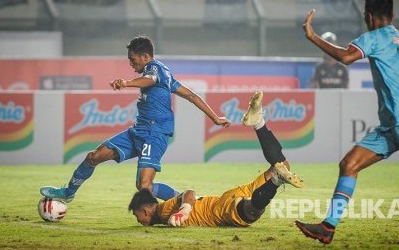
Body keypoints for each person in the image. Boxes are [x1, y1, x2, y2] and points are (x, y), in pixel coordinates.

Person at [296, 0, 399, 244]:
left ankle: (328, 226)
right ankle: (327, 227)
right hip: (390, 125)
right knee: (349, 165)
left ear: (368, 17)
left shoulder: (372, 38)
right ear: (392, 16)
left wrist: (312, 36)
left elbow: (345, 57)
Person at [40, 35, 231, 203]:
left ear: (145, 57)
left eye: (132, 60)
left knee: (143, 185)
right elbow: (191, 96)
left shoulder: (155, 69)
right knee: (94, 156)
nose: (131, 64)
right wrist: (215, 117)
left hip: (155, 135)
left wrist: (125, 83)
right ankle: (67, 192)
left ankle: (184, 200)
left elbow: (150, 80)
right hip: (138, 131)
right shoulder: (166, 75)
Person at [129, 91, 303, 227]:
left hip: (220, 210)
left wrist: (184, 211)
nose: (138, 221)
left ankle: (275, 182)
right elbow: (181, 195)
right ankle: (259, 122)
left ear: (144, 211)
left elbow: (188, 193)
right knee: (281, 165)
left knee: (251, 212)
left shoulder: (163, 210)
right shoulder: (166, 210)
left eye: (137, 217)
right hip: (225, 199)